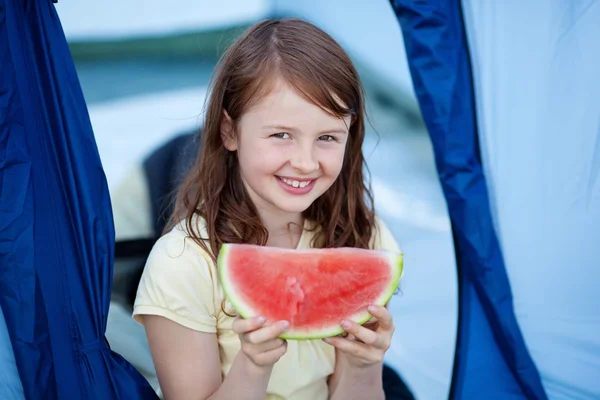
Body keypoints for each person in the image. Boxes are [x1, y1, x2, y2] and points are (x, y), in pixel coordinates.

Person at [132, 18, 403, 400]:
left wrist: (364, 364)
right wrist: (254, 366)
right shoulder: (182, 263)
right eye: (281, 135)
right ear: (230, 132)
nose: (306, 163)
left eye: (327, 137)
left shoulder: (365, 238)